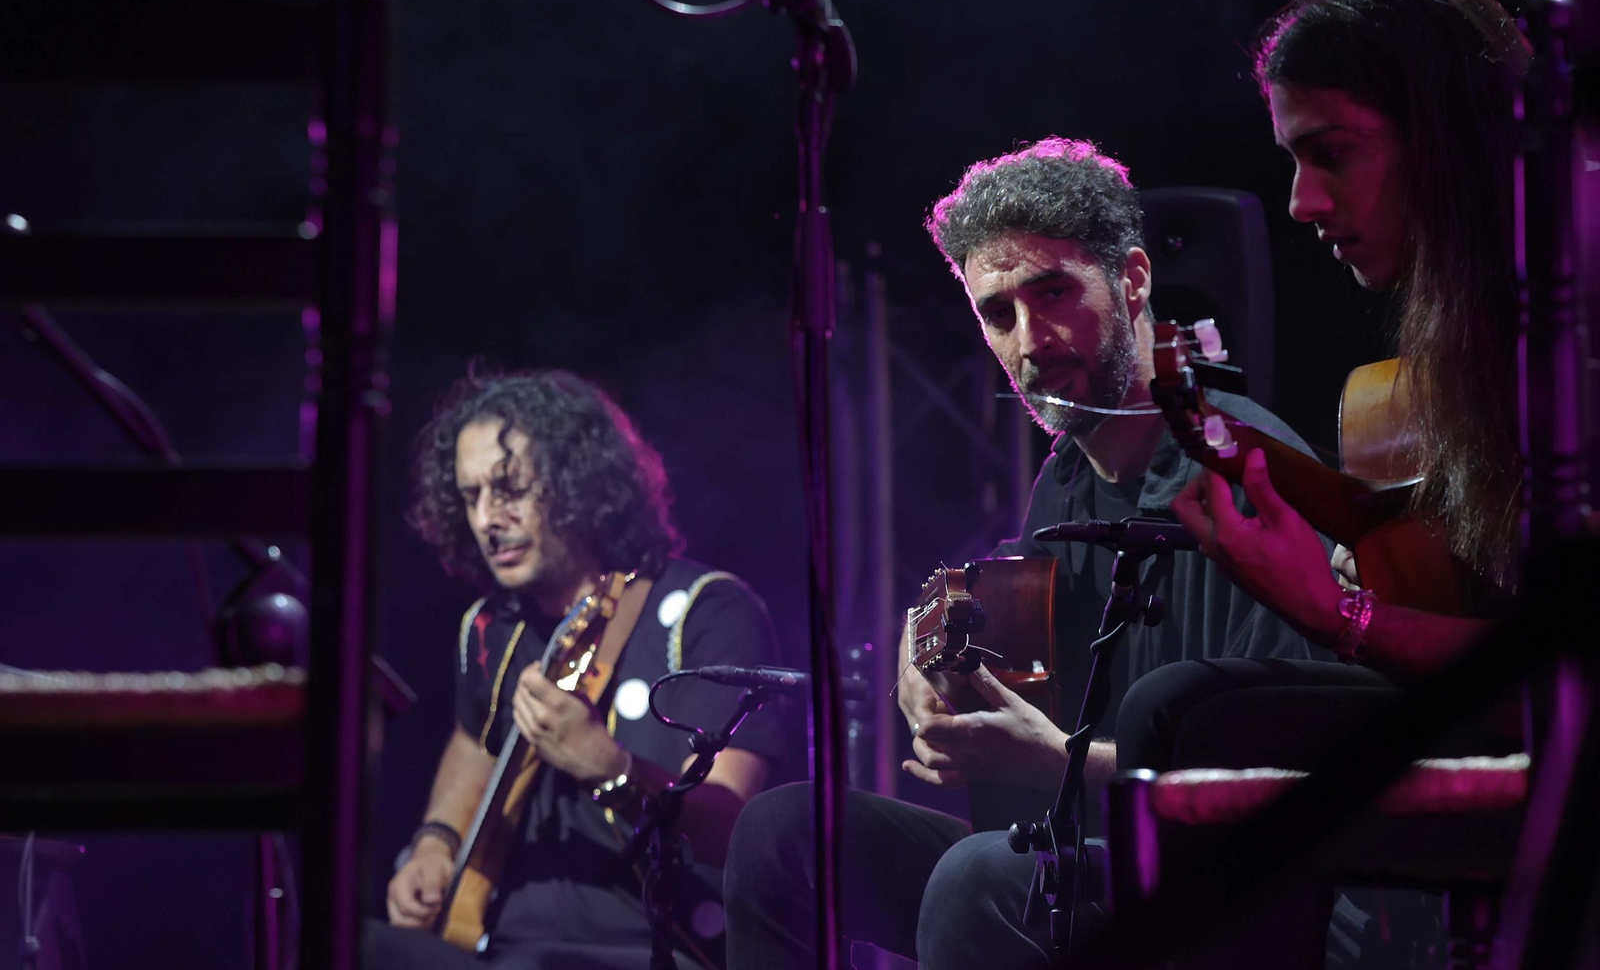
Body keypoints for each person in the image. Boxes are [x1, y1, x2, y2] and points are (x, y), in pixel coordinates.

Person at [722, 137, 1325, 970]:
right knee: (785, 832)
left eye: (1054, 293)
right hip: (1092, 859)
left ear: (1135, 279)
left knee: (981, 875)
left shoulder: (1254, 478)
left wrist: (1055, 762)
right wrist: (925, 642)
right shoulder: (1067, 478)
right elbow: (999, 595)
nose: (1029, 340)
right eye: (998, 313)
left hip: (1230, 899)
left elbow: (1291, 782)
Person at [1113, 0, 1531, 966]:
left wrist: (1337, 613)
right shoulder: (1465, 331)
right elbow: (1429, 546)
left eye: (1331, 153)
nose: (1300, 201)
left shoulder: (1558, 322)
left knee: (1224, 735)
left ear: (1449, 136)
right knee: (1171, 702)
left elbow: (1550, 678)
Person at [368, 368, 784, 970]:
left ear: (577, 483)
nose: (486, 519)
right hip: (496, 949)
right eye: (470, 496)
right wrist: (434, 846)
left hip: (651, 954)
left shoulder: (708, 610)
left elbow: (730, 828)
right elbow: (473, 749)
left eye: (509, 489)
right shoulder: (491, 628)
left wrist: (608, 765)